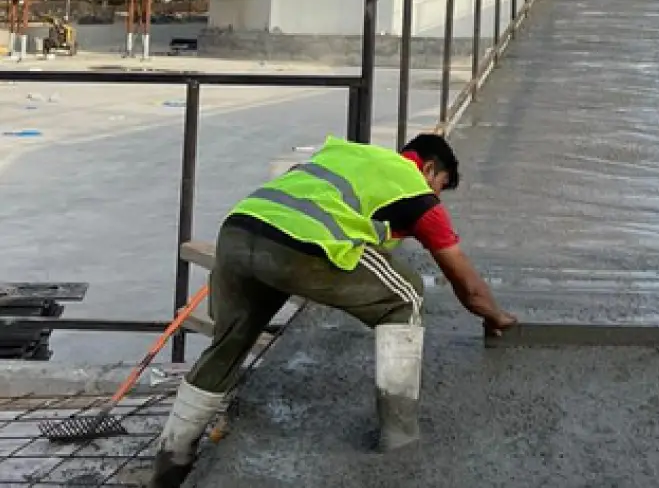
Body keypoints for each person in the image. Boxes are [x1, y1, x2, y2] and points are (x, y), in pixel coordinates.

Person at [149, 133, 517, 488]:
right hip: (299, 244)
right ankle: (400, 437)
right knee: (405, 297)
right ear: (430, 168)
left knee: (229, 344)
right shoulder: (414, 189)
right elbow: (465, 282)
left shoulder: (348, 157)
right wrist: (494, 315)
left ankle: (170, 465)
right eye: (440, 185)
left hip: (236, 233)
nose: (437, 196)